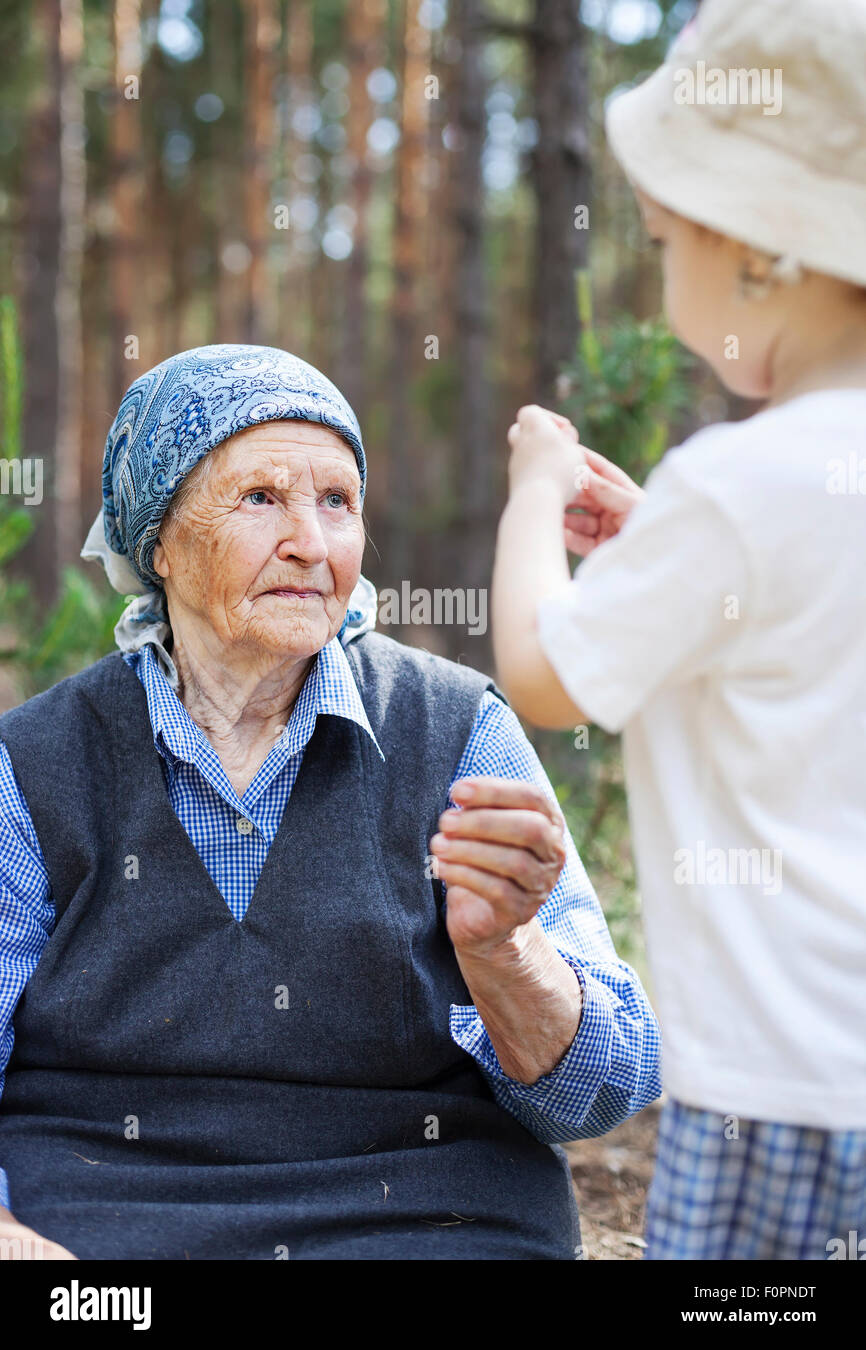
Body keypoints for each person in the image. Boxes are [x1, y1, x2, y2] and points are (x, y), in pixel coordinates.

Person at [0, 343, 660, 1261]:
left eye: (338, 502)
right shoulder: (35, 763)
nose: (311, 544)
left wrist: (505, 952)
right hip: (102, 1214)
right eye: (262, 498)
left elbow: (602, 1091)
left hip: (416, 1220)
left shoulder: (455, 730)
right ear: (157, 538)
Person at [490, 0, 866, 1260]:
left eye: (663, 245)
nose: (660, 280)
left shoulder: (734, 481)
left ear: (758, 250)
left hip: (777, 1087)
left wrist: (537, 493)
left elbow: (541, 673)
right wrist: (665, 544)